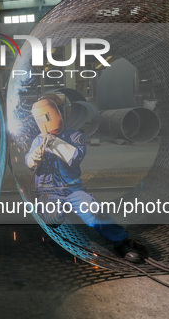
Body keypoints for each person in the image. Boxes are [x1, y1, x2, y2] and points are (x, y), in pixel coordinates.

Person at [25, 97, 147, 263]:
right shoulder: (38, 140)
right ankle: (61, 242)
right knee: (52, 216)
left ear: (57, 114)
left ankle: (121, 241)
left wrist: (53, 142)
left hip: (73, 189)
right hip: (48, 190)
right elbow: (28, 162)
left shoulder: (75, 136)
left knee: (94, 212)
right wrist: (33, 157)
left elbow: (75, 158)